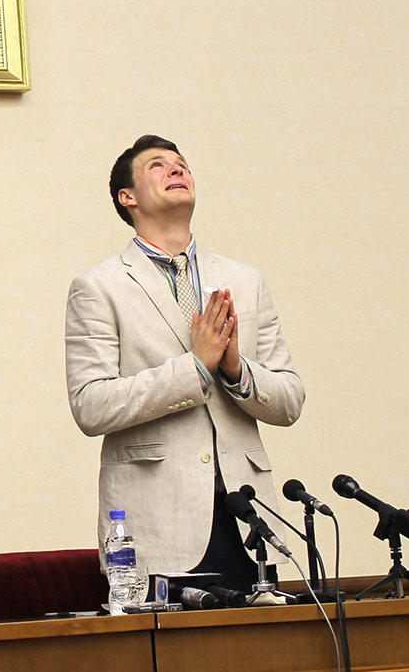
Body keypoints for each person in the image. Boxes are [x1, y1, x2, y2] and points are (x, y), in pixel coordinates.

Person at [64, 135, 305, 589]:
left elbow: (290, 399)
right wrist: (195, 368)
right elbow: (90, 405)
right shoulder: (99, 286)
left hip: (249, 519)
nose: (177, 170)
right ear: (127, 197)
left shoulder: (244, 280)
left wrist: (235, 370)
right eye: (158, 165)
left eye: (182, 164)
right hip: (158, 527)